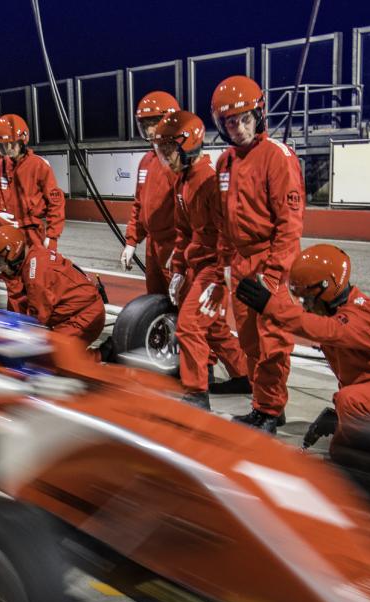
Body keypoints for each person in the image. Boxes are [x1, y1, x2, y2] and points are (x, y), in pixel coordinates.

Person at [234, 244, 370, 451]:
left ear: (327, 288)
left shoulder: (360, 315)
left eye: (306, 298)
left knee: (350, 406)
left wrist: (271, 306)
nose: (304, 305)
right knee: (348, 407)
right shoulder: (339, 313)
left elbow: (325, 329)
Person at [201, 75, 304, 434]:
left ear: (258, 115)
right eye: (231, 123)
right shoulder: (224, 163)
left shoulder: (277, 156)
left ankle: (271, 411)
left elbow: (290, 224)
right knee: (249, 341)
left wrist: (273, 275)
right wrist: (223, 267)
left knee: (273, 341)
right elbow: (222, 222)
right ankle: (264, 406)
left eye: (245, 119)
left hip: (271, 261)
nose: (240, 129)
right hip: (241, 263)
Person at [150, 111, 248, 410]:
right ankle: (244, 374)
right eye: (162, 149)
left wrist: (222, 274)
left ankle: (196, 393)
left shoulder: (209, 181)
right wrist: (179, 268)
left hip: (214, 267)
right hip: (198, 265)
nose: (165, 157)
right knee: (213, 326)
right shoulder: (183, 180)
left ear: (188, 144)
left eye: (169, 149)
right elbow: (183, 230)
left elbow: (227, 233)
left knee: (189, 325)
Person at [0, 224, 103, 345]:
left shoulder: (36, 275)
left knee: (53, 355)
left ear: (12, 252)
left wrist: (10, 334)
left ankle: (103, 355)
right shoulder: (23, 261)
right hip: (71, 314)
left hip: (85, 316)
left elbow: (36, 322)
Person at [120, 91, 179, 295]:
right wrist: (131, 242)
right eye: (146, 124)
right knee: (155, 300)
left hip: (173, 245)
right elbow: (139, 205)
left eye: (154, 122)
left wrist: (183, 248)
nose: (150, 129)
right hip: (152, 248)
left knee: (180, 302)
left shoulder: (178, 162)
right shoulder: (146, 161)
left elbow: (192, 212)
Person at [0, 114, 65, 250]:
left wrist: (52, 236)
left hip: (31, 232)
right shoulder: (1, 166)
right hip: (6, 229)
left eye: (11, 144)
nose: (8, 148)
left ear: (22, 141)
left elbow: (56, 202)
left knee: (36, 263)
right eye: (3, 145)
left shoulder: (39, 165)